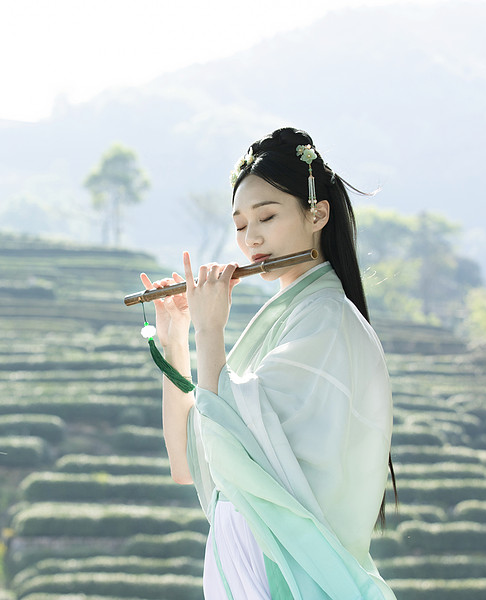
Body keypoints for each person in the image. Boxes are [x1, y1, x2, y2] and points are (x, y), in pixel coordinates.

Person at [140, 127, 397, 599]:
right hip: (248, 564)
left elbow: (228, 439)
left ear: (317, 213)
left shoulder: (325, 323)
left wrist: (210, 331)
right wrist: (176, 334)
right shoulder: (289, 323)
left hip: (282, 574)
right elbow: (189, 461)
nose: (251, 237)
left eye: (267, 216)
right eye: (240, 225)